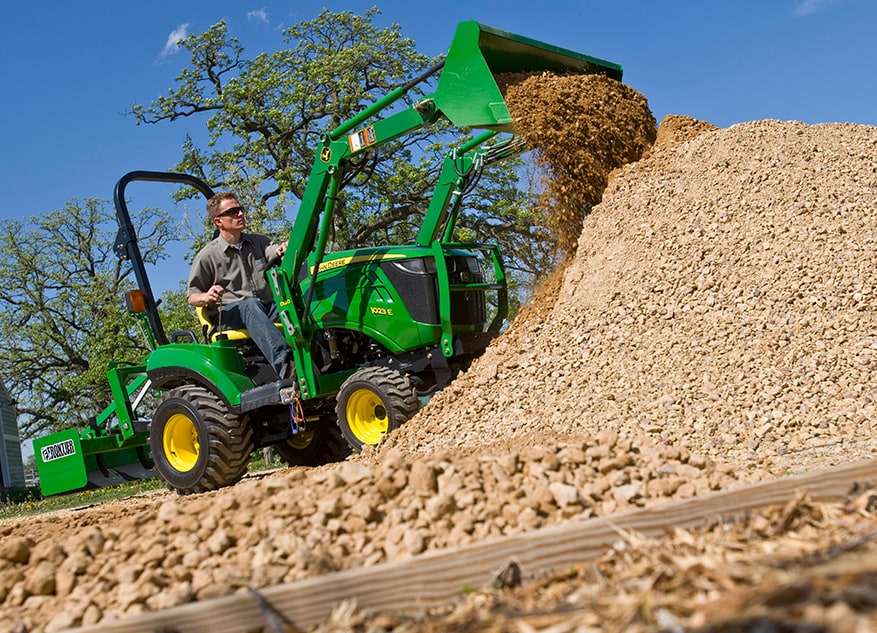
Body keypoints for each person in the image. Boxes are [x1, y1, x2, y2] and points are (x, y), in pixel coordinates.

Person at [187, 191, 293, 381]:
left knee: (295, 304)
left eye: (241, 209)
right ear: (218, 221)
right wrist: (206, 296)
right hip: (229, 314)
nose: (240, 214)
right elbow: (192, 296)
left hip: (265, 308)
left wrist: (282, 249)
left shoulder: (258, 242)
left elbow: (273, 251)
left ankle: (325, 356)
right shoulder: (208, 255)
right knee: (249, 305)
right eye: (233, 211)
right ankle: (288, 365)